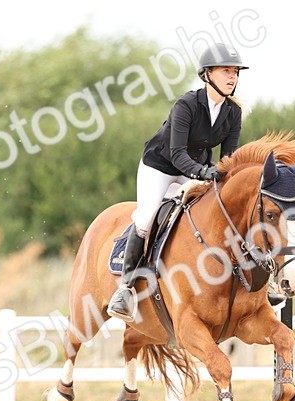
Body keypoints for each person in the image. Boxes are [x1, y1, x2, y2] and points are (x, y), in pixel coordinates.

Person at [106, 42, 247, 322]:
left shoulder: (233, 112)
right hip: (160, 166)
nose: (232, 77)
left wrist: (222, 177)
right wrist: (204, 173)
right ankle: (125, 289)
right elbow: (177, 154)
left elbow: (228, 158)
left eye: (235, 72)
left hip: (196, 168)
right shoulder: (186, 105)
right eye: (226, 71)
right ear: (207, 75)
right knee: (146, 218)